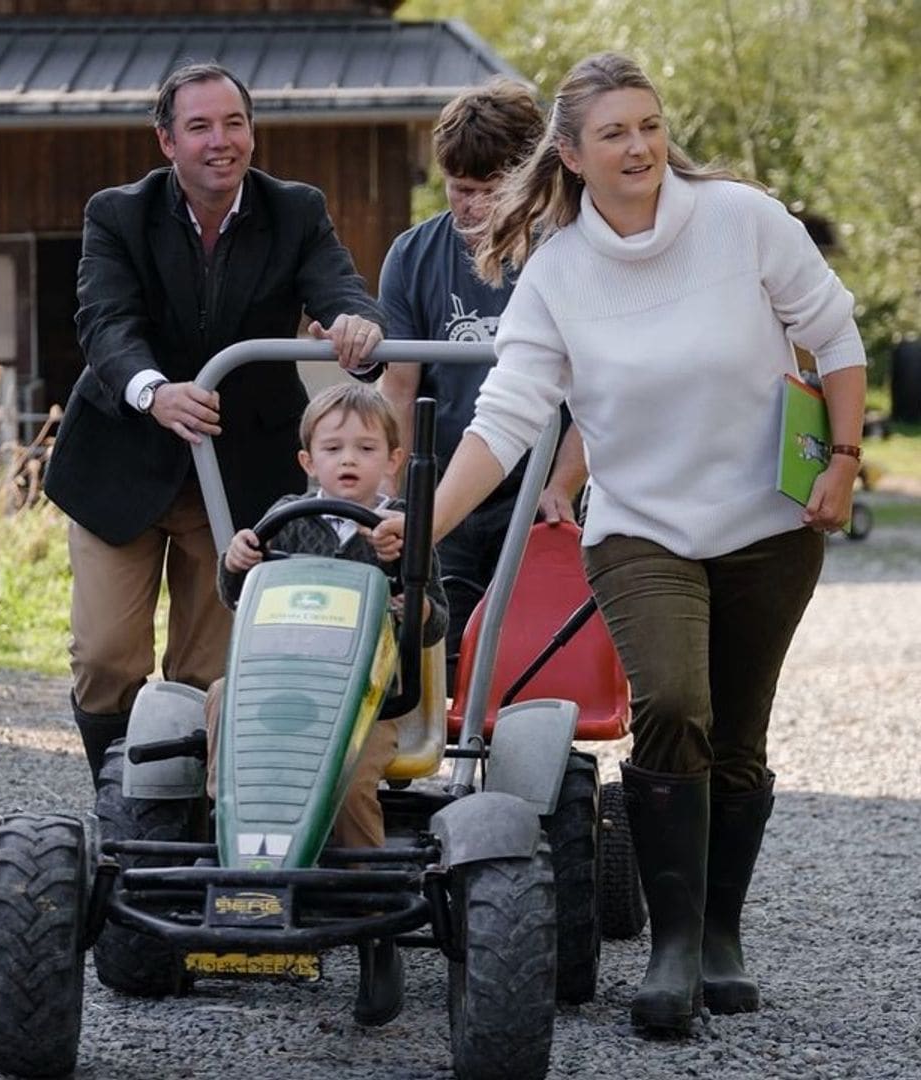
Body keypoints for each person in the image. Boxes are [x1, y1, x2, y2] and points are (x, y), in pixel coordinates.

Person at [374, 52, 867, 1035]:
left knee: (738, 731)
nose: (639, 145)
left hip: (769, 524)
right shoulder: (557, 272)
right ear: (571, 153)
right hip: (639, 525)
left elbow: (838, 332)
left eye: (649, 124)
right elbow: (508, 419)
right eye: (615, 132)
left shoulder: (741, 221)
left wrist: (843, 462)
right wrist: (416, 524)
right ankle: (674, 948)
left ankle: (719, 932)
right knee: (674, 704)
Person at [43, 62, 385, 787]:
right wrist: (154, 391)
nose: (220, 142)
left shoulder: (295, 210)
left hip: (235, 474)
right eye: (199, 127)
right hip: (122, 462)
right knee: (108, 657)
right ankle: (119, 795)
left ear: (252, 134)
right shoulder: (118, 214)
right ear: (167, 142)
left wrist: (356, 325)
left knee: (206, 669)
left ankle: (189, 817)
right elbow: (104, 323)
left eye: (234, 124)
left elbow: (339, 286)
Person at [204, 382, 448, 1028]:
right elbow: (238, 599)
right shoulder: (286, 517)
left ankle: (374, 927)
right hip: (278, 686)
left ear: (394, 462)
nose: (349, 459)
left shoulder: (408, 530)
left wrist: (410, 592)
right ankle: (235, 842)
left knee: (356, 773)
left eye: (366, 448)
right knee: (221, 697)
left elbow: (433, 623)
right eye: (333, 447)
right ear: (307, 460)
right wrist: (236, 563)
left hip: (372, 701)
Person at [378, 76, 587, 687]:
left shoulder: (569, 252)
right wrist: (396, 492)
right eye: (458, 190)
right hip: (453, 487)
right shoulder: (414, 256)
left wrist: (565, 482)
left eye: (488, 191)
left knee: (535, 654)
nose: (470, 207)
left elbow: (598, 388)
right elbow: (398, 386)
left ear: (529, 180)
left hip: (544, 486)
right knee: (441, 651)